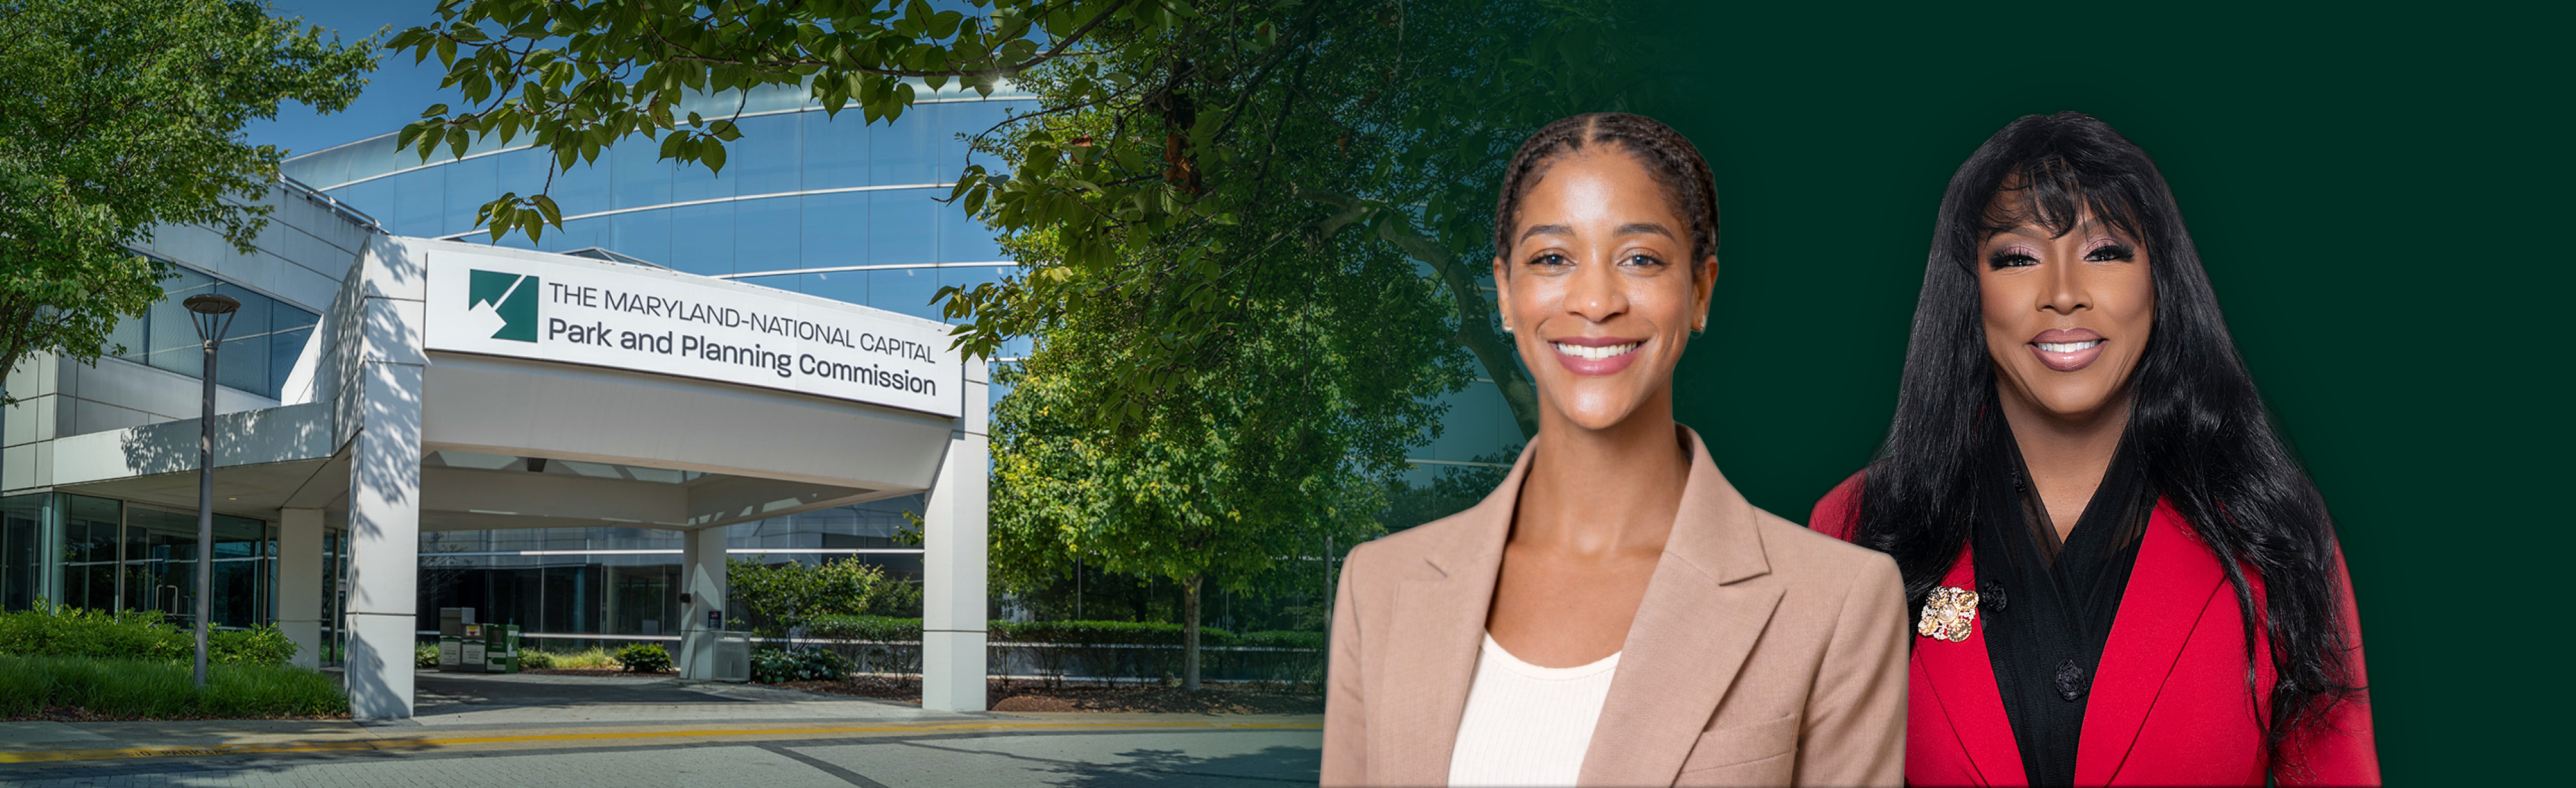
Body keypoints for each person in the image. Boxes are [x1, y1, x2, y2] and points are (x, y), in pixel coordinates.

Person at [1322, 112, 1907, 787]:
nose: (1596, 300)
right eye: (1551, 258)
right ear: (1506, 292)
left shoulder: (1838, 600)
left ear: (1699, 290)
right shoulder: (1380, 585)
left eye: (1640, 259)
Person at [1810, 111, 2378, 785]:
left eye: (2104, 251)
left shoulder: (2273, 526)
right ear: (1970, 291)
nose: (2062, 295)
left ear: (2159, 283)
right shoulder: (1857, 526)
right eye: (2017, 257)